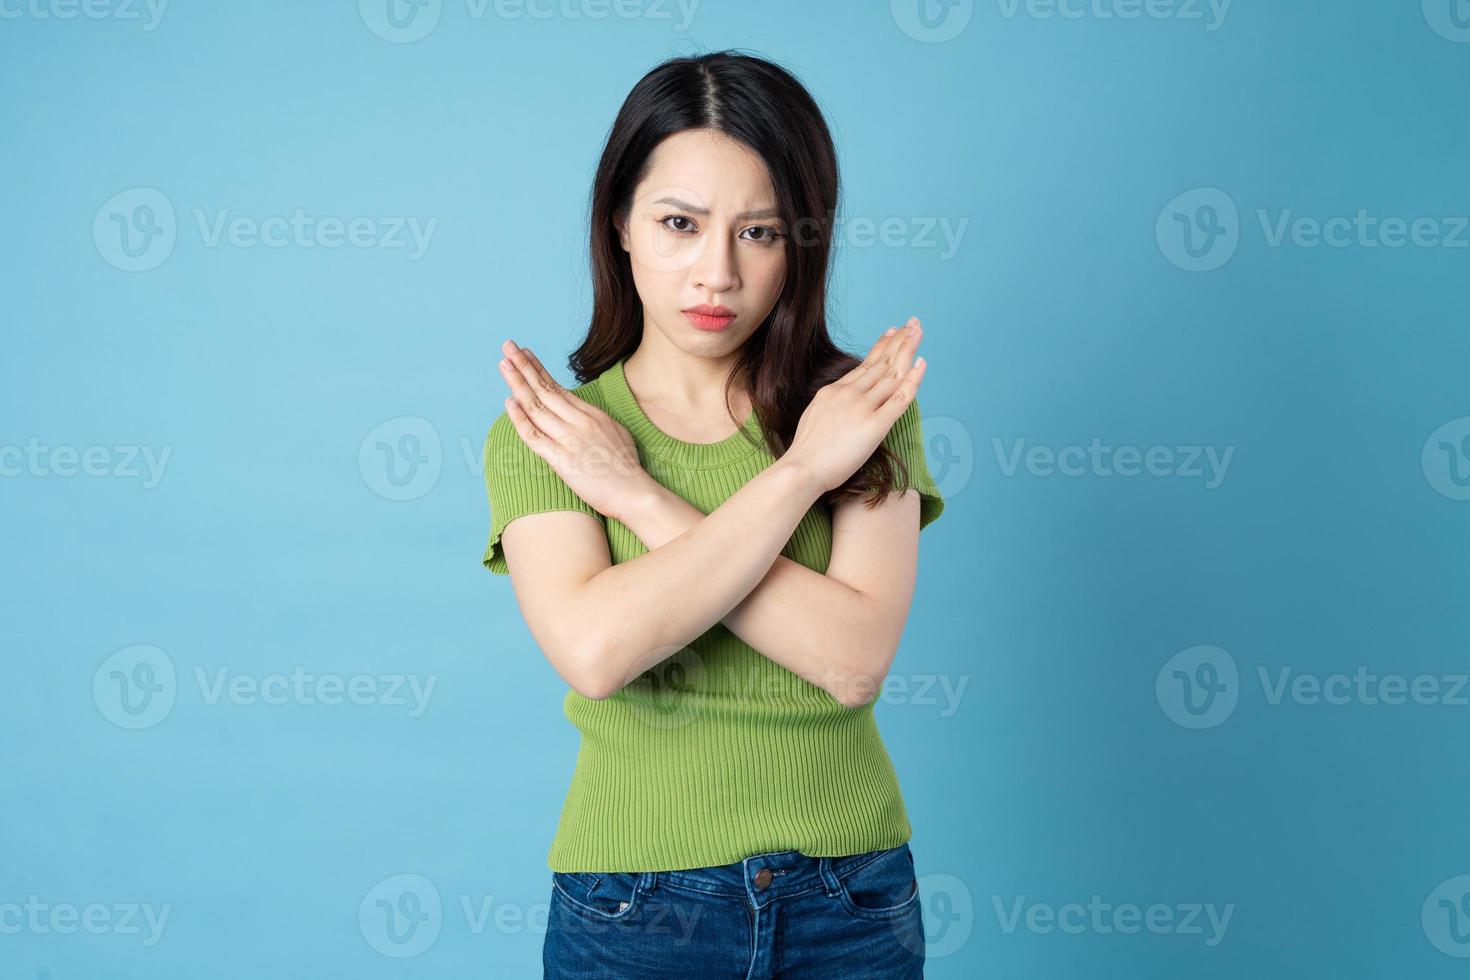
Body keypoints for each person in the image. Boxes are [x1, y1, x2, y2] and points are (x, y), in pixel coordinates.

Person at [479, 49, 945, 979]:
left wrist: (645, 496)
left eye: (760, 233)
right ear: (619, 222)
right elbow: (599, 651)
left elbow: (853, 663)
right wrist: (801, 479)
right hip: (631, 903)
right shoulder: (556, 436)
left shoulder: (858, 414)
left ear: (800, 242)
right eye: (680, 224)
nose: (716, 273)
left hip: (850, 897)